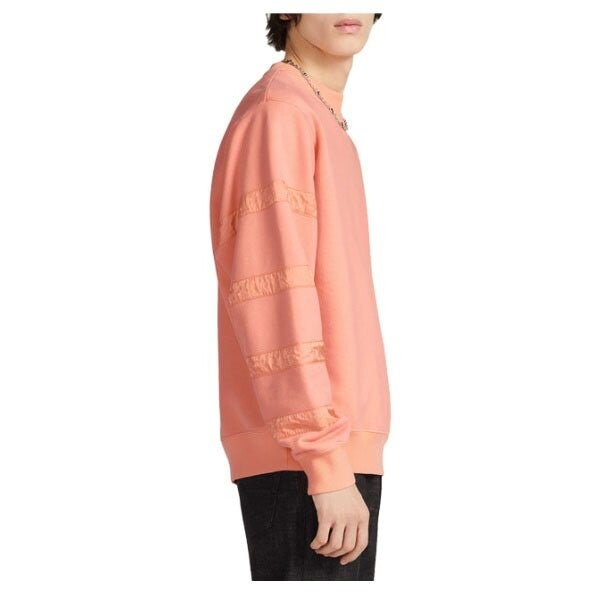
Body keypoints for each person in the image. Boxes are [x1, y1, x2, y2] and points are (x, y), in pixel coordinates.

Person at [209, 13, 391, 580]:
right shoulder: (280, 113)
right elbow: (272, 296)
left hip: (330, 449)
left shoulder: (316, 112)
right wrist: (326, 462)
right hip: (308, 459)